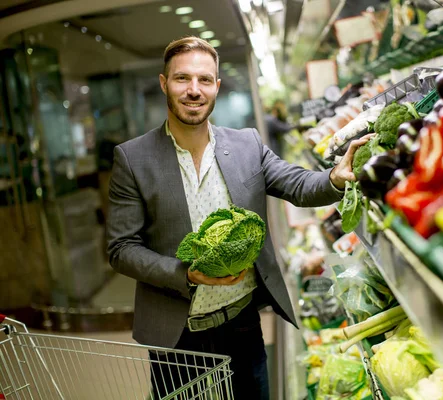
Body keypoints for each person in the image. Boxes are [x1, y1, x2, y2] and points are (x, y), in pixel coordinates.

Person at [106, 36, 370, 399]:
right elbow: (121, 248)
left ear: (217, 86)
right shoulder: (133, 158)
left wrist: (334, 178)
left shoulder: (246, 143)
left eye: (204, 80)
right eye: (182, 79)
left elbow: (296, 183)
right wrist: (185, 275)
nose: (193, 90)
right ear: (165, 83)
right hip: (177, 334)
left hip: (242, 323)